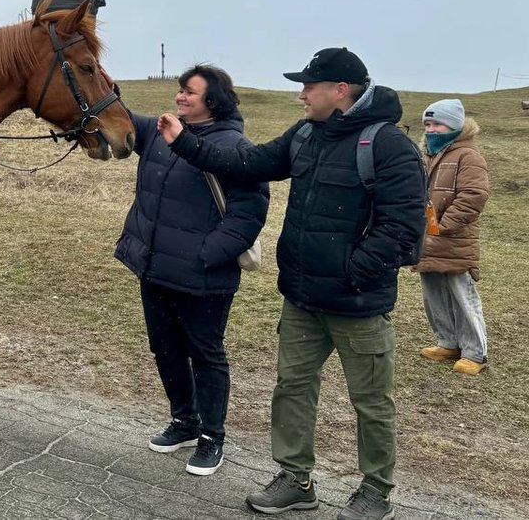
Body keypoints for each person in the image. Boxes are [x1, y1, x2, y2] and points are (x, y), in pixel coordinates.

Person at [157, 48, 425, 520]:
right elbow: (250, 164)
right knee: (293, 390)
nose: (302, 94)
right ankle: (295, 480)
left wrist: (350, 273)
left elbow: (402, 230)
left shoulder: (387, 145)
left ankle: (376, 491)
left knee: (371, 402)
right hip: (302, 299)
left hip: (358, 304)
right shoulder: (306, 134)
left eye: (309, 86)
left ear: (340, 90)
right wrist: (184, 143)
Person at [114, 64, 268, 476]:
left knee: (206, 354)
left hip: (204, 275)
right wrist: (93, 77)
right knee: (165, 349)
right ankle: (184, 422)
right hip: (155, 267)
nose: (181, 97)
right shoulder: (160, 133)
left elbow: (249, 212)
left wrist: (207, 253)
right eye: (181, 90)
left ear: (212, 101)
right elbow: (118, 116)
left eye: (190, 93)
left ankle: (212, 437)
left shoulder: (234, 146)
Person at [411, 99, 491, 375]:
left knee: (462, 295)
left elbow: (473, 196)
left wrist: (442, 226)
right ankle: (448, 342)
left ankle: (475, 352)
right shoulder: (426, 155)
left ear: (455, 125)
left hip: (454, 239)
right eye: (428, 124)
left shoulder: (468, 156)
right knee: (433, 294)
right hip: (428, 239)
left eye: (438, 123)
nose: (432, 129)